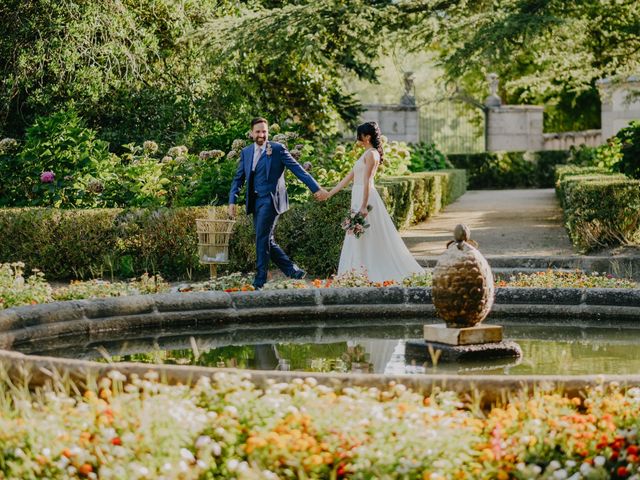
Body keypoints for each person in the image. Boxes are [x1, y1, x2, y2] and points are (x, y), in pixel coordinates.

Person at [228, 117, 328, 289]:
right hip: (255, 201)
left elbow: (298, 170)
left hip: (271, 200)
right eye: (258, 131)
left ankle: (260, 280)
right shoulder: (246, 152)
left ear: (268, 132)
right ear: (251, 133)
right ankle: (293, 271)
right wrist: (232, 201)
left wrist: (316, 188)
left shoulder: (277, 149)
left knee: (261, 238)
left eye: (264, 131)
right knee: (267, 239)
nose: (261, 134)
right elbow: (238, 179)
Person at [320, 121, 424, 282]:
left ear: (367, 137)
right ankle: (357, 271)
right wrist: (329, 194)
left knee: (367, 235)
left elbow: (368, 181)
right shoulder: (365, 153)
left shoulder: (372, 154)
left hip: (365, 198)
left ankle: (366, 271)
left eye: (359, 136)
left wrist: (363, 206)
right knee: (358, 235)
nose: (357, 139)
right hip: (358, 196)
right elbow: (348, 178)